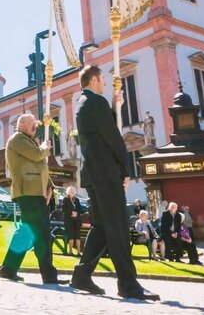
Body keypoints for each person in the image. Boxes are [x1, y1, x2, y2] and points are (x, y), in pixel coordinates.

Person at [69, 65, 159, 301]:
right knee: (118, 226)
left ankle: (81, 275)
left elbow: (100, 131)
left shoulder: (83, 103)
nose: (106, 83)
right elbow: (112, 137)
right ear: (95, 79)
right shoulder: (94, 102)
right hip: (106, 174)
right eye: (103, 80)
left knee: (100, 227)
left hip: (92, 173)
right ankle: (128, 284)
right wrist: (126, 168)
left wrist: (113, 106)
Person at [0, 114, 64, 284]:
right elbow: (36, 156)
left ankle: (9, 269)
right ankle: (48, 275)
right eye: (33, 125)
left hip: (35, 192)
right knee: (42, 234)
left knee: (28, 232)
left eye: (36, 125)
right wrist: (44, 147)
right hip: (29, 192)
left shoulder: (26, 140)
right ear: (21, 124)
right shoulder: (17, 139)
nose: (36, 128)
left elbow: (40, 166)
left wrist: (49, 187)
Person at [62, 186, 83, 256]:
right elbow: (64, 209)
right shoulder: (65, 199)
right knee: (71, 235)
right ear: (68, 192)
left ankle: (79, 252)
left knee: (77, 236)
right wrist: (71, 212)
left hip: (77, 220)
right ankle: (70, 251)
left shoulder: (77, 200)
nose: (72, 193)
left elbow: (80, 209)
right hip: (69, 220)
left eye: (73, 192)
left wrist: (76, 213)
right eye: (71, 192)